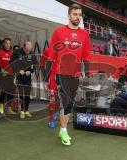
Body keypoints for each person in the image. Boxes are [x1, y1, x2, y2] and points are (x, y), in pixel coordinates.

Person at [45, 3, 91, 146]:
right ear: (69, 15)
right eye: (75, 14)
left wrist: (87, 73)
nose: (78, 17)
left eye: (79, 15)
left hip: (75, 74)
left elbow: (86, 55)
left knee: (70, 104)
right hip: (61, 73)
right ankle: (64, 130)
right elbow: (51, 54)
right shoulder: (59, 32)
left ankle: (62, 129)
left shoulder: (85, 34)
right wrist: (47, 74)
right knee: (67, 102)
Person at [10, 41, 37, 119]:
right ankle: (22, 111)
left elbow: (35, 64)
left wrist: (31, 71)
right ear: (24, 47)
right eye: (27, 50)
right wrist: (18, 70)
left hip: (28, 77)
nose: (28, 51)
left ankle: (26, 110)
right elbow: (11, 63)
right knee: (21, 94)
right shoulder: (17, 52)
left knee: (27, 95)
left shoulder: (32, 54)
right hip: (19, 77)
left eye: (30, 50)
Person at [39, 49, 59, 128]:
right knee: (52, 99)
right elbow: (41, 63)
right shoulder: (48, 51)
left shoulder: (64, 50)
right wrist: (46, 77)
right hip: (52, 78)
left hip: (61, 78)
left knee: (59, 99)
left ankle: (55, 113)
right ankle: (51, 120)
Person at [0, 38, 15, 114]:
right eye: (6, 43)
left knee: (10, 92)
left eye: (9, 43)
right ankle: (1, 107)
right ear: (3, 44)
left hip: (11, 76)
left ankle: (9, 108)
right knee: (4, 92)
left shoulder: (12, 53)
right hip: (3, 75)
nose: (8, 45)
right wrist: (1, 71)